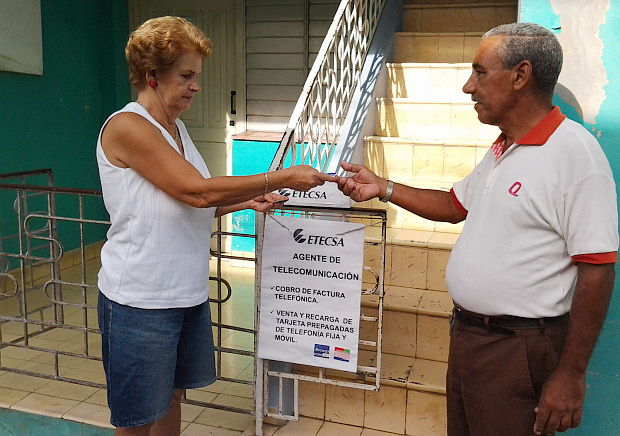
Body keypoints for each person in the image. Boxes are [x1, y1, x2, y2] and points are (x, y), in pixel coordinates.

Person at [335, 22, 617, 436]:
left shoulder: (576, 155)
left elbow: (598, 269)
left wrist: (571, 374)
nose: (469, 87)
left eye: (480, 72)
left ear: (521, 76)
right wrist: (384, 187)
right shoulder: (506, 147)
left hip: (514, 350)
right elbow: (454, 205)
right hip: (470, 338)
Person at [96, 16, 333, 436]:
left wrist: (246, 201)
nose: (196, 86)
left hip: (184, 294)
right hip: (139, 300)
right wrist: (279, 177)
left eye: (196, 76)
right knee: (137, 419)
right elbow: (197, 192)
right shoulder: (127, 127)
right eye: (186, 75)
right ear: (152, 76)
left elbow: (186, 204)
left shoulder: (179, 131)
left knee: (171, 398)